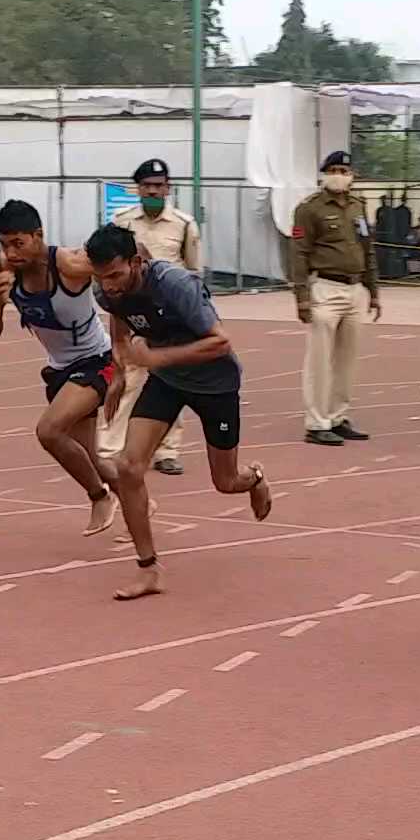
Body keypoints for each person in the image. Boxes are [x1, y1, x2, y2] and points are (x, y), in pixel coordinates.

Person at [87, 225, 272, 601]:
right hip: (167, 383)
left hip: (215, 385)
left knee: (225, 481)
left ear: (136, 262)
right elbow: (120, 322)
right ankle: (149, 568)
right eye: (101, 278)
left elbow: (220, 342)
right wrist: (120, 372)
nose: (108, 286)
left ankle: (254, 479)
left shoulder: (175, 285)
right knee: (128, 466)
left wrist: (156, 357)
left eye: (116, 276)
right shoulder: (107, 291)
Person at [0, 201, 118, 536]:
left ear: (38, 236)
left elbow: (124, 271)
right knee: (90, 456)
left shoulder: (70, 264)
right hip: (60, 369)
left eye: (18, 243)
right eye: (4, 244)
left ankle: (100, 497)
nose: (11, 253)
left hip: (98, 361)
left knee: (49, 431)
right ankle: (138, 498)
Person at [99, 158, 201, 477]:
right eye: (147, 186)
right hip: (131, 310)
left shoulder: (184, 224)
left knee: (173, 379)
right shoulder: (122, 221)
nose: (153, 191)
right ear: (138, 189)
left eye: (159, 186)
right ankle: (111, 446)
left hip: (170, 313)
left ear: (168, 188)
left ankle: (167, 451)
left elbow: (193, 272)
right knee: (128, 374)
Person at [291, 150, 381, 447]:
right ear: (323, 174)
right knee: (319, 359)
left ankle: (338, 416)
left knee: (347, 360)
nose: (339, 175)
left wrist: (373, 291)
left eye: (344, 170)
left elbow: (367, 249)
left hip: (355, 289)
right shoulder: (310, 208)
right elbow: (299, 253)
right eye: (333, 170)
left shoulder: (358, 205)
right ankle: (316, 423)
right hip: (325, 288)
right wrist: (302, 297)